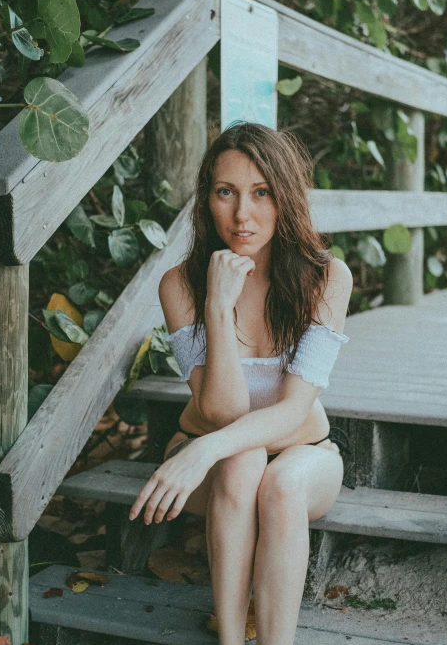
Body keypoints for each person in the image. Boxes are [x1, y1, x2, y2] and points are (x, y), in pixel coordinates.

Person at [129, 121, 354, 645]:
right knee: (242, 458)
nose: (241, 214)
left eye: (261, 193)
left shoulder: (327, 277)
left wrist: (201, 451)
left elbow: (295, 410)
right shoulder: (180, 285)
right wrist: (216, 302)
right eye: (225, 192)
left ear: (285, 197)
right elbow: (224, 411)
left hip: (303, 453)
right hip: (214, 458)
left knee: (280, 484)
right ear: (207, 198)